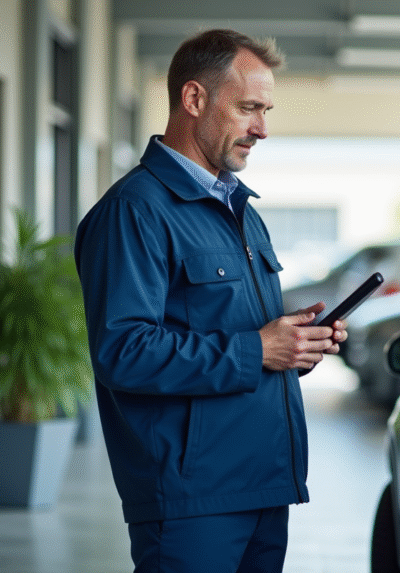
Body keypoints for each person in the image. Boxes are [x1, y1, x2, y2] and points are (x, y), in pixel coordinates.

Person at [74, 29, 346, 573]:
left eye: (266, 110)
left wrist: (294, 346)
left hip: (264, 485)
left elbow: (244, 336)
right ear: (193, 99)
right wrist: (257, 350)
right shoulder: (136, 211)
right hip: (192, 502)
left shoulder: (242, 210)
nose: (262, 129)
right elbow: (123, 351)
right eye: (248, 108)